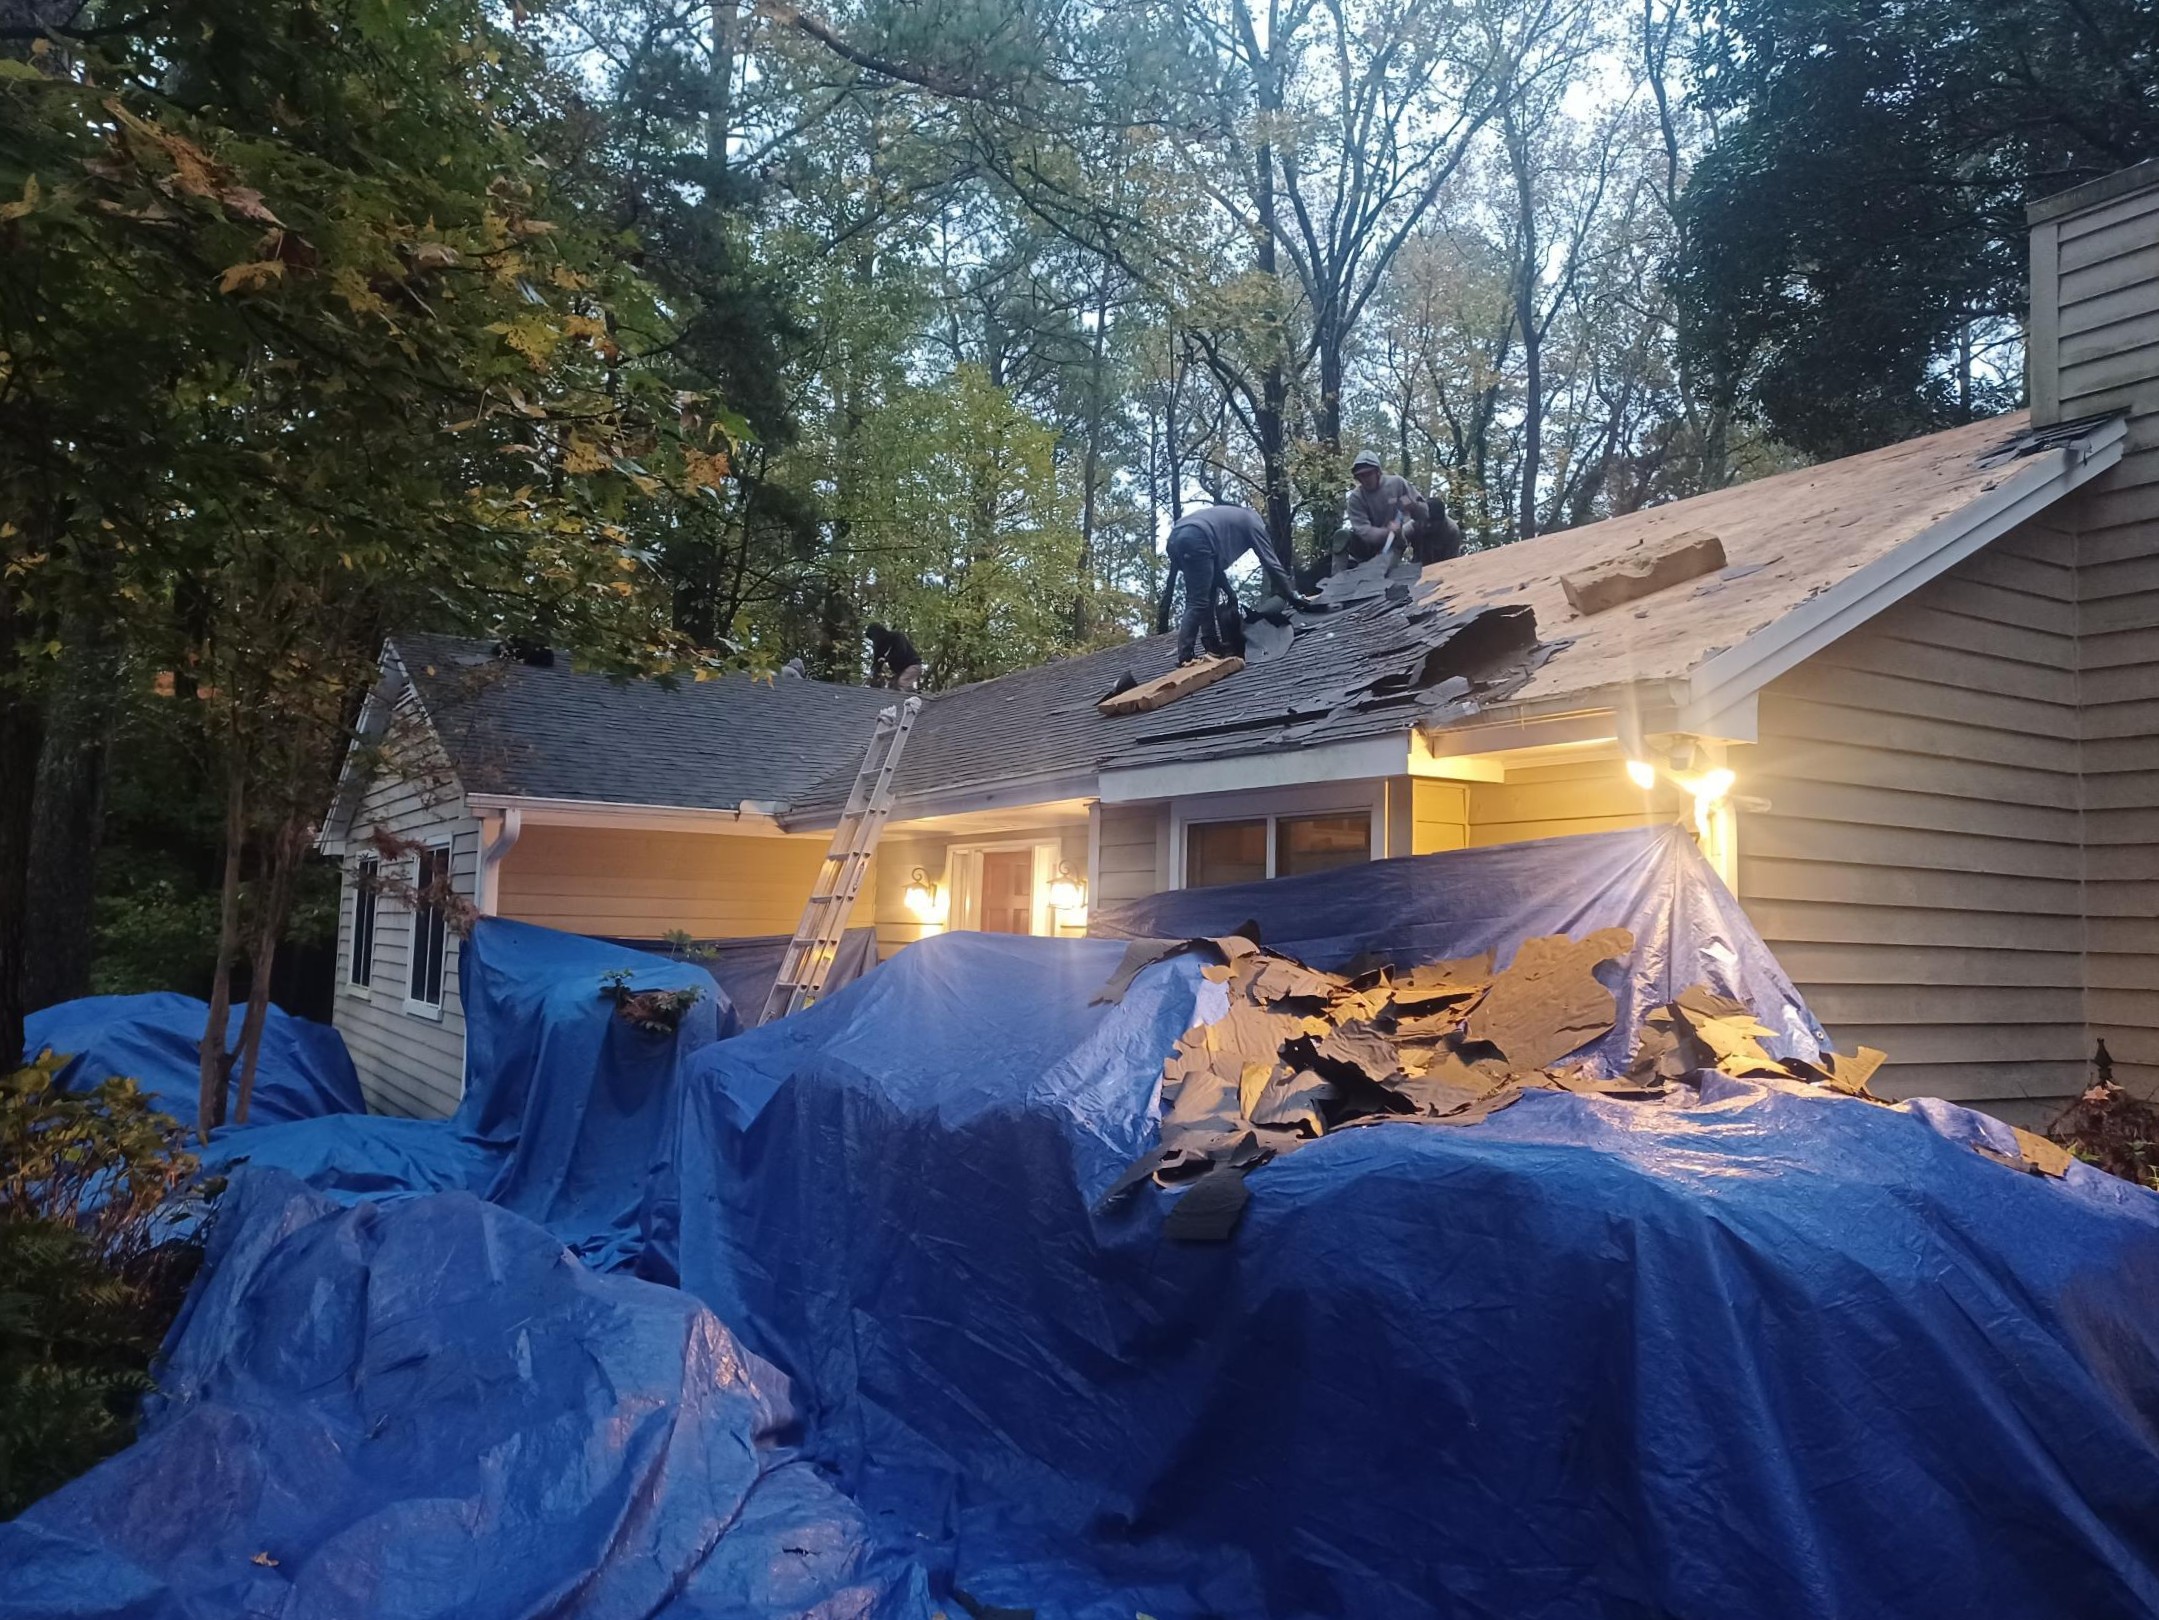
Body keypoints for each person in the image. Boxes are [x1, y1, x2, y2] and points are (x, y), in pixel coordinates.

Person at [1160, 503, 1304, 665]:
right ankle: (1185, 656)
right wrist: (1292, 595)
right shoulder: (1253, 523)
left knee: (1206, 594)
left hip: (1176, 539)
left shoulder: (1235, 518)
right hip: (1197, 537)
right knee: (1197, 600)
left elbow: (1214, 573)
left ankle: (1212, 646)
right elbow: (1271, 562)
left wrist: (1230, 592)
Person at [1342, 450, 1462, 568]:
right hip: (1366, 545)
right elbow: (1364, 531)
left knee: (1382, 568)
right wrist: (1387, 531)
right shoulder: (1356, 499)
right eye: (1361, 476)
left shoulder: (1397, 484)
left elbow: (1423, 513)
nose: (1365, 479)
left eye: (1368, 474)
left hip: (1393, 545)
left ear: (1377, 472)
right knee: (1341, 537)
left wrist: (1412, 506)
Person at [864, 623, 924, 691]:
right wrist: (873, 674)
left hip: (913, 665)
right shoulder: (879, 646)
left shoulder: (896, 636)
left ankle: (914, 699)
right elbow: (877, 662)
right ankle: (911, 694)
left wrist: (886, 659)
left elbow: (901, 651)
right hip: (900, 671)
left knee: (902, 683)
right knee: (893, 688)